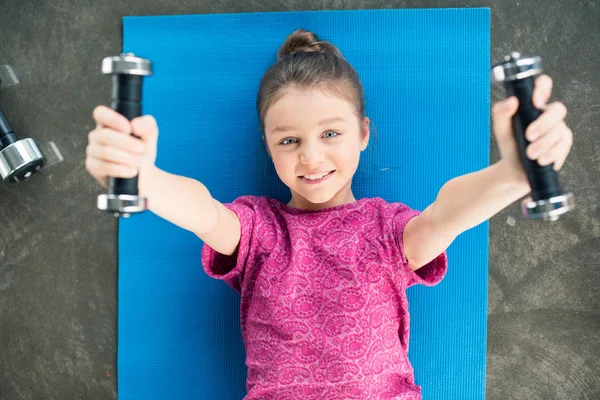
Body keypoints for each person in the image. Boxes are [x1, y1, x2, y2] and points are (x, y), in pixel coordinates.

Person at [85, 29, 573, 399]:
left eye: (331, 134)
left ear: (363, 133)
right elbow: (202, 211)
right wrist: (145, 177)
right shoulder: (259, 230)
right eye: (289, 141)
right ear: (269, 147)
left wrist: (512, 174)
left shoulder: (385, 229)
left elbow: (447, 215)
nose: (311, 158)